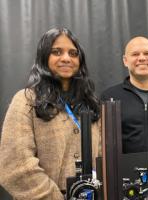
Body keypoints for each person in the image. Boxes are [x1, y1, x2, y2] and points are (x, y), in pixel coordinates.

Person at [0, 28, 101, 199]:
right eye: (56, 52)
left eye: (73, 53)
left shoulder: (90, 105)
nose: (66, 58)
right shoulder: (26, 100)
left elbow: (101, 158)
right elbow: (15, 166)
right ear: (44, 57)